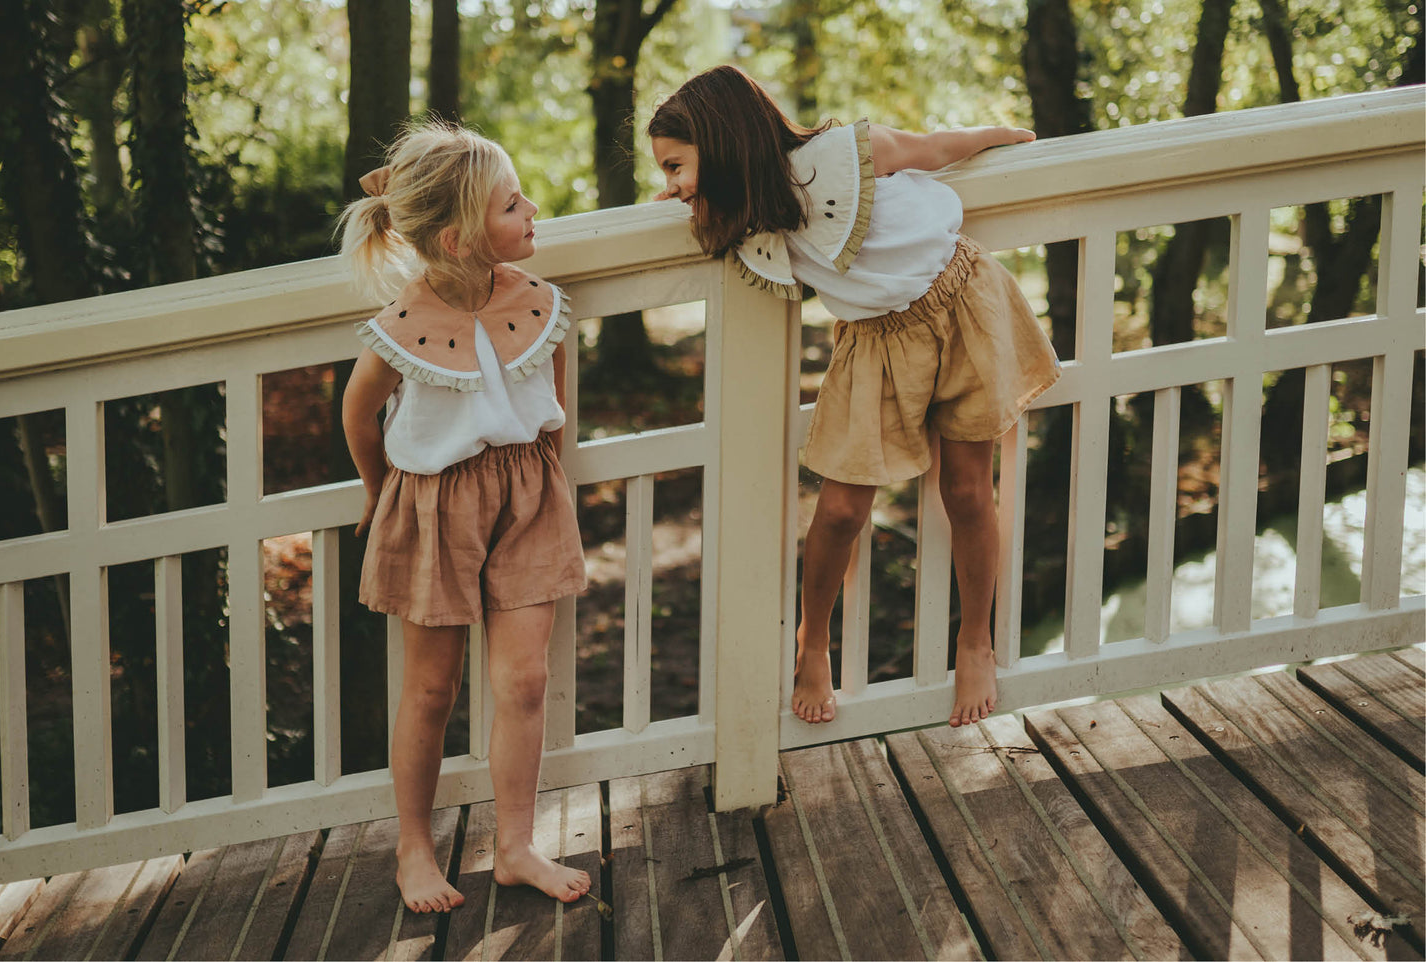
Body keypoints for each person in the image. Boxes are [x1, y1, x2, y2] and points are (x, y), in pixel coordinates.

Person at [648, 65, 1059, 729]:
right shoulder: (748, 219)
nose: (670, 187)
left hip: (962, 302)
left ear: (721, 141)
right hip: (877, 344)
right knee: (839, 510)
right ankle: (814, 641)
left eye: (674, 166)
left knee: (968, 491)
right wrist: (687, 198)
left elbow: (934, 147)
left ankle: (974, 640)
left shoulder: (848, 155)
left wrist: (1000, 134)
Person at [336, 122, 591, 912]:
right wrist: (379, 491)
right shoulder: (401, 326)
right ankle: (415, 848)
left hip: (529, 495)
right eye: (514, 204)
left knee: (523, 679)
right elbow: (358, 413)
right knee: (432, 690)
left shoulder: (541, 307)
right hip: (433, 503)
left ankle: (514, 846)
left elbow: (552, 406)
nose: (533, 209)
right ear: (458, 237)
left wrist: (547, 480)